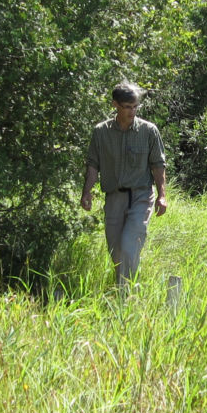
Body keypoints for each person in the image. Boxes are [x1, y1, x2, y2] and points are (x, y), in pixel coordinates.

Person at [80, 83, 167, 293]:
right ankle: (124, 291)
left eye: (135, 106)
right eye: (127, 107)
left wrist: (162, 196)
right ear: (115, 105)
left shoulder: (148, 131)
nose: (132, 111)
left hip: (141, 196)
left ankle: (125, 298)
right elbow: (93, 164)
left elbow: (158, 165)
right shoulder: (101, 132)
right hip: (114, 198)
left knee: (130, 245)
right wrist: (87, 192)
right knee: (116, 251)